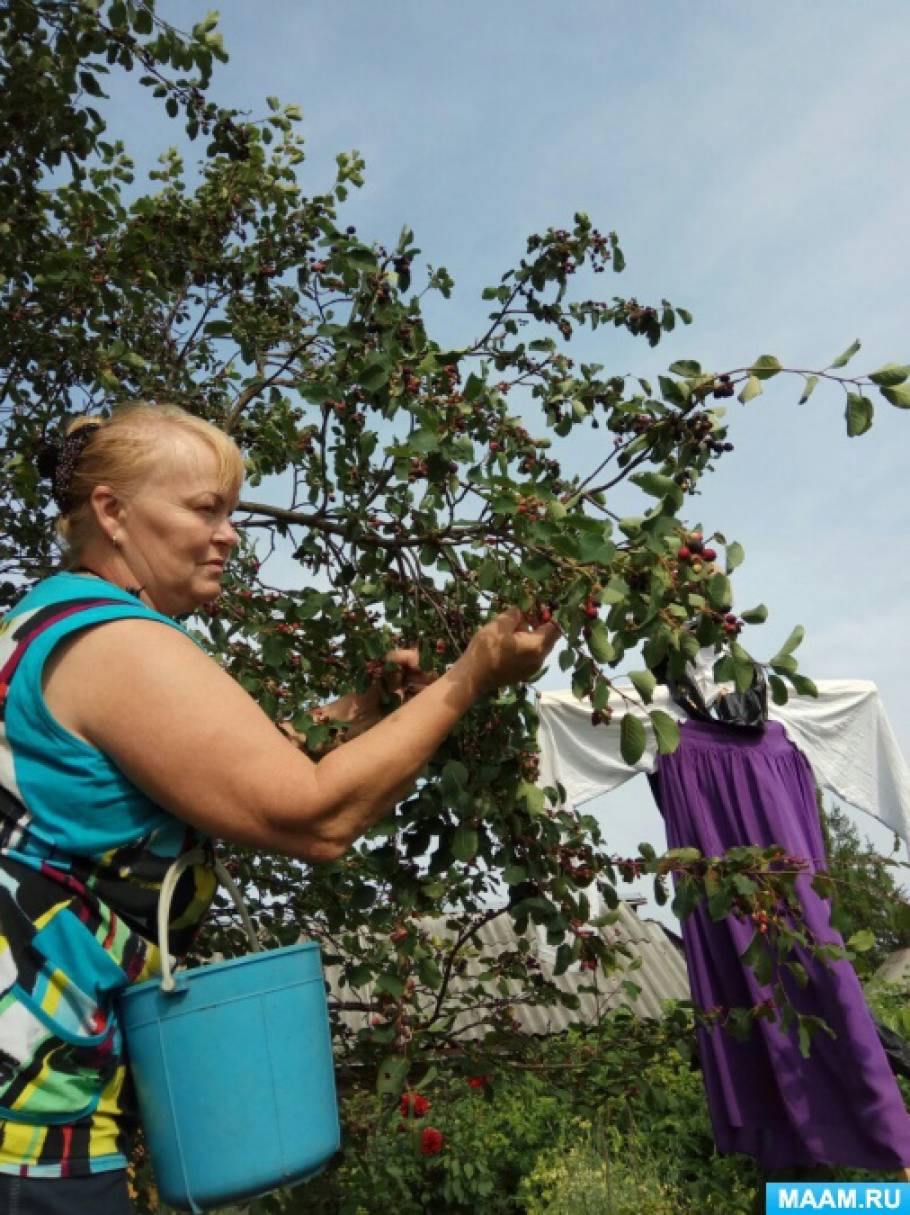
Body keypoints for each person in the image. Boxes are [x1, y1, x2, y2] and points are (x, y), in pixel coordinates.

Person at [0, 401, 559, 1213]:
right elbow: (313, 816)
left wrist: (354, 712)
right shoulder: (115, 641)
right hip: (30, 1131)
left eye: (231, 510)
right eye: (204, 509)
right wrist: (469, 676)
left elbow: (215, 777)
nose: (230, 534)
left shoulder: (41, 625)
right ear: (113, 512)